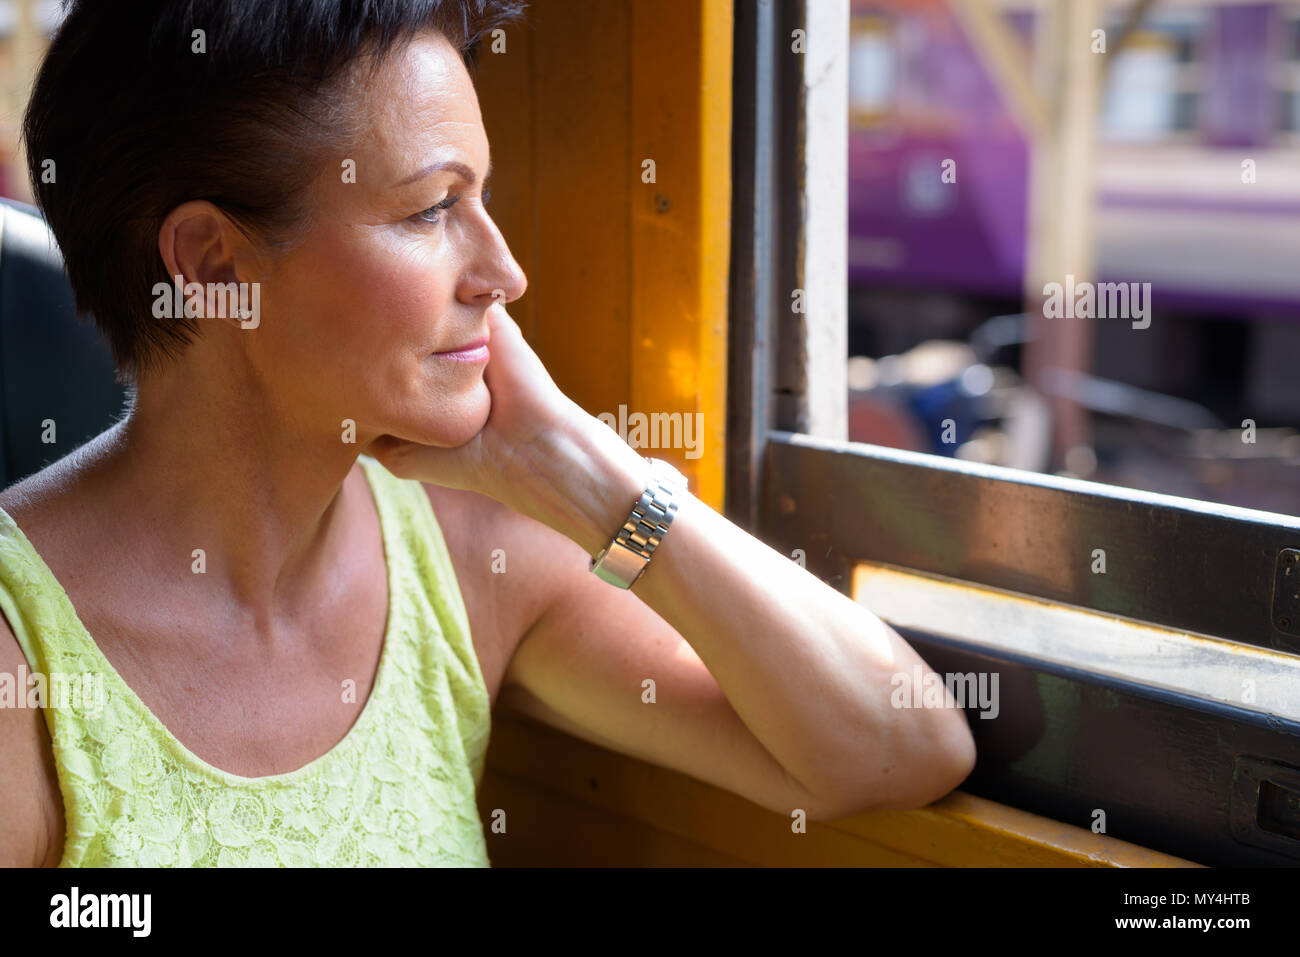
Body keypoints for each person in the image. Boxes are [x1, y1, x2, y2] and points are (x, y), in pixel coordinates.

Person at [0, 0, 975, 867]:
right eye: (431, 207)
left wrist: (596, 479)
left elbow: (899, 747)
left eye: (484, 197)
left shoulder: (465, 561)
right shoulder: (22, 662)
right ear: (212, 266)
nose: (503, 273)